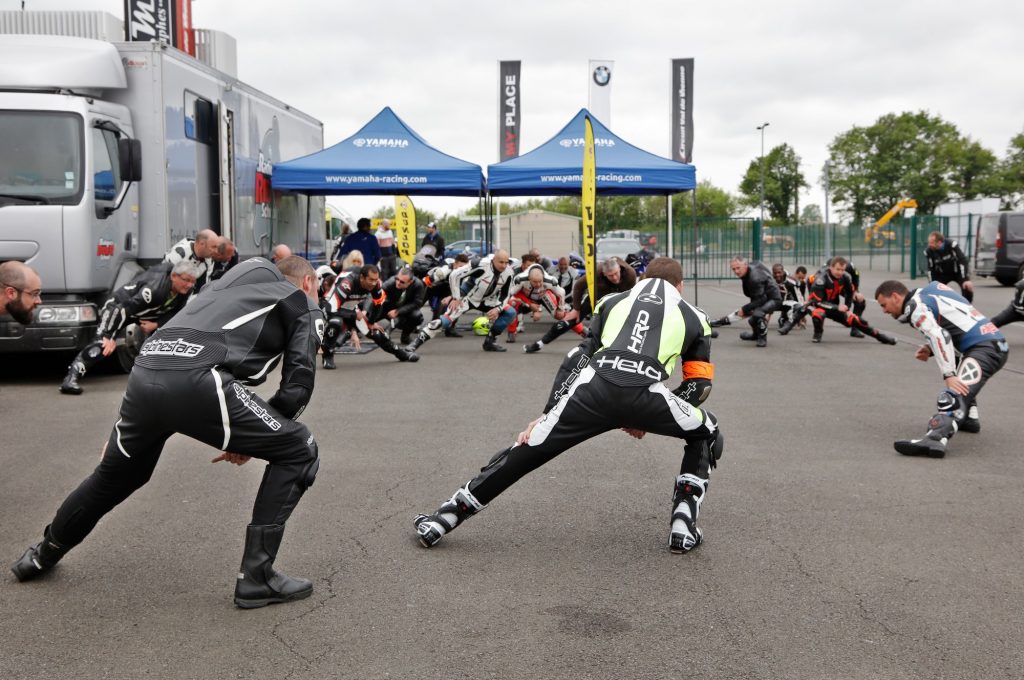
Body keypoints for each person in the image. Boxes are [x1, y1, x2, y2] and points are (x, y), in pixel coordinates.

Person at [12, 256, 324, 609]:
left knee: (116, 475)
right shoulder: (302, 301)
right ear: (309, 282)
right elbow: (297, 385)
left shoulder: (222, 286)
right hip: (198, 377)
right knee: (300, 448)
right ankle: (257, 577)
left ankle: (41, 554)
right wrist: (264, 437)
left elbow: (175, 337)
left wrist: (254, 433)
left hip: (146, 370)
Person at [413, 257, 723, 554]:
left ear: (643, 278)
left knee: (524, 450)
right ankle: (684, 523)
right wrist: (650, 416)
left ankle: (444, 519)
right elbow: (700, 384)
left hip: (592, 391)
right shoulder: (696, 317)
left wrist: (546, 414)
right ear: (680, 286)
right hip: (647, 396)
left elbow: (577, 357)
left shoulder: (610, 302)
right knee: (708, 432)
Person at [875, 279, 1008, 458]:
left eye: (884, 305)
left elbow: (940, 335)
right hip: (991, 344)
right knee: (960, 376)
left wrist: (949, 374)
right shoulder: (932, 289)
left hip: (985, 349)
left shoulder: (915, 307)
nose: (884, 310)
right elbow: (954, 320)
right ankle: (969, 417)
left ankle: (936, 438)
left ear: (895, 296)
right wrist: (930, 348)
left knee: (950, 394)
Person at [59, 261, 198, 395]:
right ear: (174, 276)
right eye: (186, 280)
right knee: (102, 345)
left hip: (145, 313)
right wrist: (109, 335)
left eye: (193, 281)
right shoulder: (154, 289)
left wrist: (156, 325)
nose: (189, 285)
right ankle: (70, 379)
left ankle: (162, 381)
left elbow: (176, 313)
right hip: (119, 307)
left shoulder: (185, 290)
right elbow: (123, 310)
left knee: (167, 338)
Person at [406, 249, 516, 353]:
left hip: (489, 300)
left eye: (506, 262)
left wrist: (498, 308)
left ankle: (490, 342)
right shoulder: (479, 264)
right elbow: (454, 275)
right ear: (493, 260)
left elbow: (506, 294)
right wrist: (456, 297)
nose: (504, 265)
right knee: (444, 320)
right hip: (467, 298)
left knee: (510, 312)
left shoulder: (509, 272)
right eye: (501, 262)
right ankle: (416, 343)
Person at [524, 257, 637, 353]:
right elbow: (578, 286)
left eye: (616, 274)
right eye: (611, 276)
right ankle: (540, 343)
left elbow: (631, 297)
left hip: (620, 297)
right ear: (604, 274)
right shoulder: (596, 272)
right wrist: (576, 309)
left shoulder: (630, 274)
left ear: (619, 269)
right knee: (569, 320)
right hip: (596, 297)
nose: (615, 278)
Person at [779, 257, 896, 345]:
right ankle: (811, 331)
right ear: (831, 267)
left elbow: (850, 293)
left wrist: (847, 308)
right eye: (837, 269)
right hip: (819, 303)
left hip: (834, 304)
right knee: (811, 310)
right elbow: (818, 302)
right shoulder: (821, 279)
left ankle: (881, 337)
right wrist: (834, 306)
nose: (840, 272)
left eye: (842, 269)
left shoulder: (846, 277)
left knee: (856, 319)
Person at [321, 264, 418, 368]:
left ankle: (401, 354)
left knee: (376, 332)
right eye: (370, 280)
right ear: (362, 278)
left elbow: (378, 304)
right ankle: (327, 356)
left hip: (350, 307)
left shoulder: (376, 284)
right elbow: (330, 309)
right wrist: (354, 315)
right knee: (336, 322)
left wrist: (371, 322)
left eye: (376, 280)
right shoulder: (347, 283)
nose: (373, 283)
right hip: (329, 305)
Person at [708, 257, 781, 347]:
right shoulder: (749, 270)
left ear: (745, 265)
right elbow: (758, 263)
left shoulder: (754, 278)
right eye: (733, 269)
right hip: (763, 296)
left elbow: (761, 300)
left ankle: (762, 339)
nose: (736, 271)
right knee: (752, 320)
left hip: (773, 299)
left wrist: (745, 309)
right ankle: (755, 335)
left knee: (758, 314)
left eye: (738, 268)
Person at [501, 264, 567, 343]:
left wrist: (560, 308)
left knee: (560, 315)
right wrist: (530, 304)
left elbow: (561, 293)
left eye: (540, 281)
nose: (538, 284)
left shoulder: (551, 281)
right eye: (535, 282)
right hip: (527, 297)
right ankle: (511, 332)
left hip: (543, 296)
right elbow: (511, 293)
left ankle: (581, 329)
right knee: (513, 302)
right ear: (529, 279)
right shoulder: (520, 279)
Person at [422, 253, 471, 335]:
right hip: (432, 287)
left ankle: (450, 329)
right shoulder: (444, 270)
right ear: (455, 263)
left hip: (447, 290)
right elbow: (424, 281)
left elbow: (462, 290)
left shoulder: (465, 272)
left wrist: (452, 297)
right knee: (418, 303)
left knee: (457, 304)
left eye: (464, 267)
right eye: (460, 266)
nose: (462, 269)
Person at [380, 266, 427, 346]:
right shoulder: (391, 282)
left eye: (402, 282)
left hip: (404, 311)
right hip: (387, 308)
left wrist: (398, 311)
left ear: (410, 282)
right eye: (397, 279)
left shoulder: (418, 285)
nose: (398, 283)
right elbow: (377, 295)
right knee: (369, 311)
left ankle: (405, 337)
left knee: (417, 316)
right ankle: (355, 330)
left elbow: (417, 303)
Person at [925, 231, 973, 303]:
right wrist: (932, 284)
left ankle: (967, 305)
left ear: (939, 242)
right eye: (929, 242)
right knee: (934, 291)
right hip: (942, 274)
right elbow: (931, 269)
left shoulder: (952, 245)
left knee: (967, 287)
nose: (929, 245)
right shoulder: (929, 251)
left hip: (957, 272)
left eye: (931, 243)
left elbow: (962, 261)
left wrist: (966, 279)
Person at [772, 263, 806, 329]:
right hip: (774, 301)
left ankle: (785, 318)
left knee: (797, 304)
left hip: (786, 301)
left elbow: (799, 298)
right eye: (775, 273)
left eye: (779, 273)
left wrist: (801, 315)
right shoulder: (769, 280)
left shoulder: (792, 282)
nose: (777, 275)